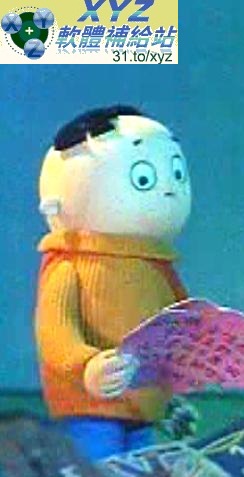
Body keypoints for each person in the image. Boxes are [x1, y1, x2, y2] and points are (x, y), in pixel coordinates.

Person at [35, 106, 192, 459]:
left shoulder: (160, 269)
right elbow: (55, 333)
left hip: (147, 408)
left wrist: (174, 388)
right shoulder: (70, 264)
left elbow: (181, 328)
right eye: (144, 178)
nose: (169, 190)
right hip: (91, 407)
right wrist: (86, 365)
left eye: (177, 174)